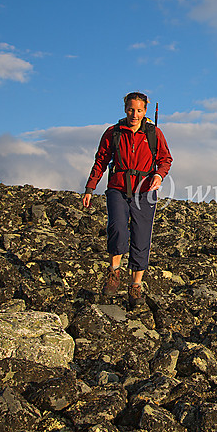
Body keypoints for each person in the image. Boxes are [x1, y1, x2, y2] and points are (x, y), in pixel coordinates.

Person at [82, 92, 173, 309]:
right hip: (118, 187)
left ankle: (135, 286)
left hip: (145, 190)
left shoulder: (154, 133)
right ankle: (114, 273)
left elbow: (165, 159)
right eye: (131, 109)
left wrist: (159, 176)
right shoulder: (113, 133)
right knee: (117, 228)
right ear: (125, 108)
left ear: (145, 111)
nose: (134, 114)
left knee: (142, 236)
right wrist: (90, 187)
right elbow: (101, 160)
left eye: (139, 110)